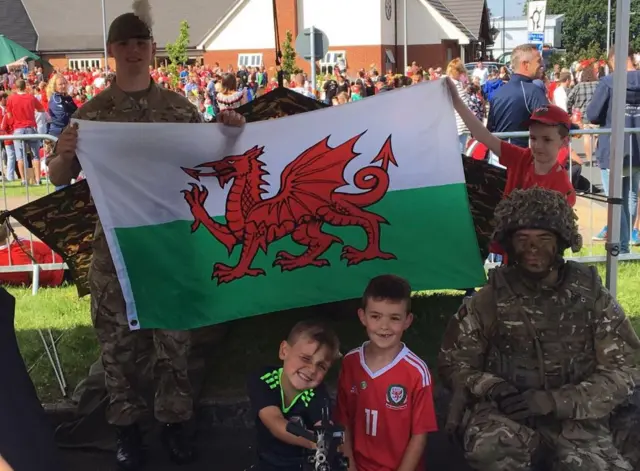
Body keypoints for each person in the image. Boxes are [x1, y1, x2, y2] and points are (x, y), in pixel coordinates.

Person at [45, 6, 245, 470]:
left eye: (142, 43)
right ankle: (127, 431)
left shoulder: (179, 109)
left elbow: (211, 161)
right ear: (111, 52)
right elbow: (58, 176)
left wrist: (230, 133)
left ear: (151, 50)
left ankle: (176, 424)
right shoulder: (91, 117)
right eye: (125, 44)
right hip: (115, 249)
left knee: (174, 338)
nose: (134, 51)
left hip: (170, 242)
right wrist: (64, 153)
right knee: (117, 344)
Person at [438, 187, 640, 471]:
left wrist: (555, 401)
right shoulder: (490, 298)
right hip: (508, 414)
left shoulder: (590, 296)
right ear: (510, 244)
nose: (533, 248)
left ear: (560, 242)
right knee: (491, 450)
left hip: (576, 418)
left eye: (543, 239)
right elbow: (454, 363)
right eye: (523, 239)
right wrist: (494, 388)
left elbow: (624, 369)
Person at [335, 275, 438, 471]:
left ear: (407, 321)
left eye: (394, 318)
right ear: (362, 316)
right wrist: (350, 467)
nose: (384, 326)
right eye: (376, 316)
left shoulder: (416, 371)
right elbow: (343, 422)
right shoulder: (351, 362)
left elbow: (419, 435)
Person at [247, 320, 340, 471]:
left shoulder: (319, 395)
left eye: (321, 366)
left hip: (304, 465)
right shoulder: (263, 378)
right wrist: (313, 441)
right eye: (305, 358)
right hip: (265, 462)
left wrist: (326, 440)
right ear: (284, 351)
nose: (311, 370)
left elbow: (323, 426)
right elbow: (274, 421)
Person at [587, 45, 640, 253]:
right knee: (629, 197)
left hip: (614, 150)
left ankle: (623, 247)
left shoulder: (609, 82)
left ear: (613, 60)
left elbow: (592, 114)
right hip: (637, 147)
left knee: (616, 200)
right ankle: (626, 244)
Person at [487, 44, 549, 149]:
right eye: (538, 61)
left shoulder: (498, 93)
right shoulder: (532, 90)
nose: (542, 65)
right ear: (526, 64)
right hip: (520, 156)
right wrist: (571, 126)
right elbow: (550, 120)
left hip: (497, 155)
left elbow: (490, 128)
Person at [5, 78, 45, 185]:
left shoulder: (11, 98)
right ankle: (37, 179)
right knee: (35, 156)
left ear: (16, 87)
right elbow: (41, 109)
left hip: (18, 129)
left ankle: (23, 180)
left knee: (20, 156)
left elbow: (9, 115)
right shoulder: (31, 97)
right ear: (25, 86)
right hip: (31, 127)